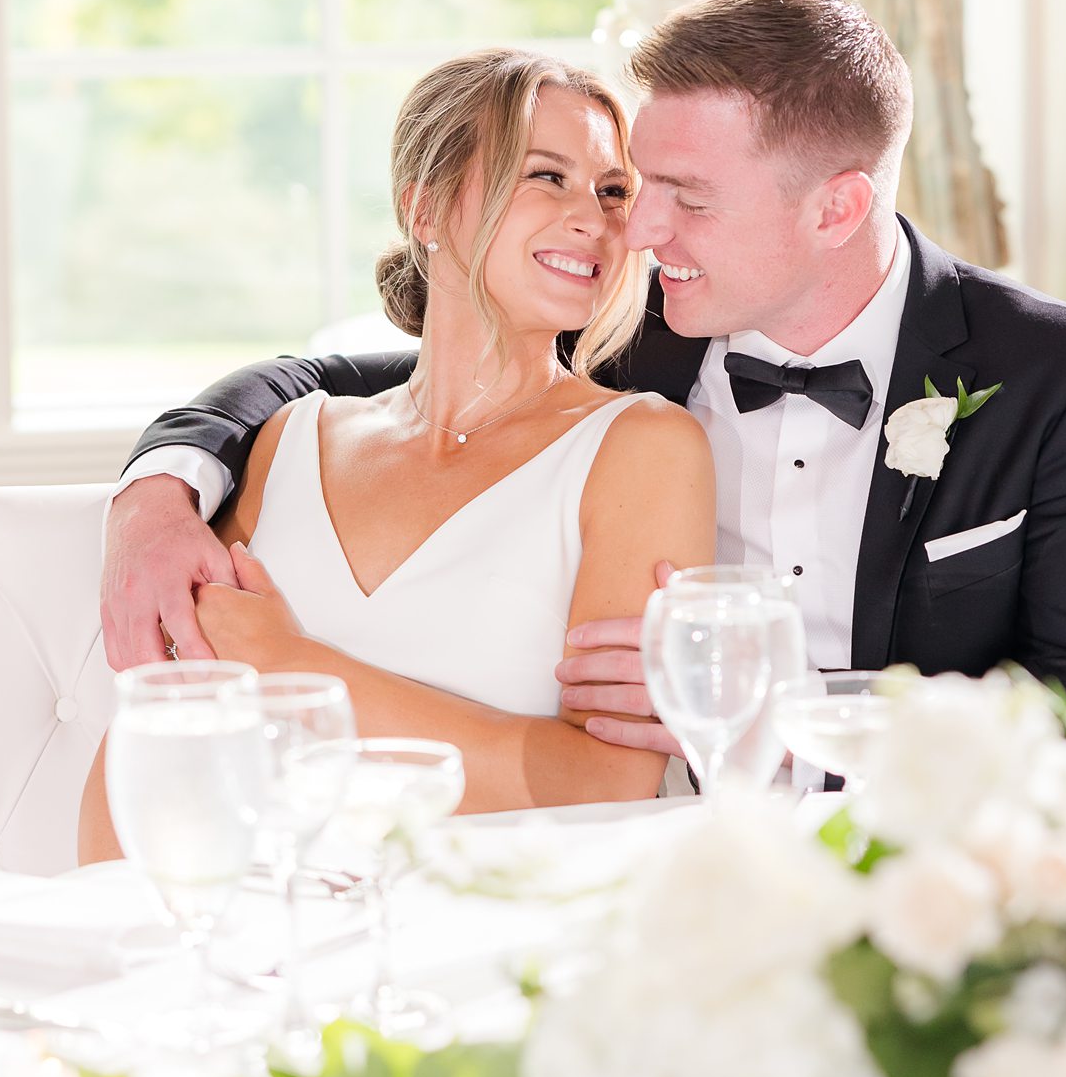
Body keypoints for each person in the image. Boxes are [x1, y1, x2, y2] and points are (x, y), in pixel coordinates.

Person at [100, 0, 1066, 778]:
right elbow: (327, 376)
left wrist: (784, 703)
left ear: (835, 209)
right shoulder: (625, 341)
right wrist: (157, 496)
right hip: (651, 870)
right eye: (636, 186)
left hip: (911, 877)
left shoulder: (1060, 377)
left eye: (684, 197)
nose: (636, 230)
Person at [78, 47, 715, 856]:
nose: (594, 216)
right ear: (425, 208)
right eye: (545, 176)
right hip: (244, 925)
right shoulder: (290, 440)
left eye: (613, 189)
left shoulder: (644, 448)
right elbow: (167, 733)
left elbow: (604, 786)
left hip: (496, 940)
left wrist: (291, 666)